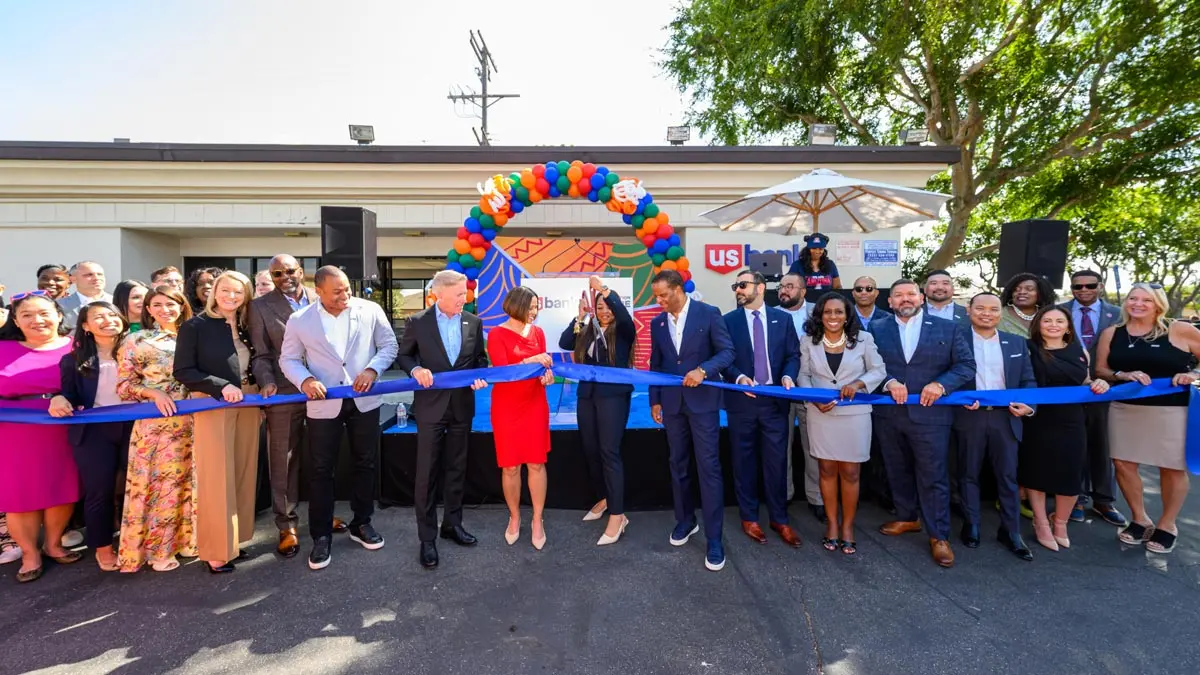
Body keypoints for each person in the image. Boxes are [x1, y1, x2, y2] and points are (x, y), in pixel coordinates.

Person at [280, 266, 398, 571]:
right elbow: (288, 359)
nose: (345, 295)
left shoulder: (369, 309)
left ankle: (362, 523)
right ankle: (321, 537)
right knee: (321, 470)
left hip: (364, 402)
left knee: (366, 463)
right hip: (323, 406)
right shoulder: (299, 319)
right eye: (337, 291)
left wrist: (372, 369)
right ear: (318, 291)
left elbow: (389, 345)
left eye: (347, 288)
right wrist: (304, 380)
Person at [871, 279, 975, 568]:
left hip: (932, 417)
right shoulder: (876, 329)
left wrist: (941, 385)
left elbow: (966, 366)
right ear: (889, 302)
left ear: (921, 298)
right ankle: (907, 517)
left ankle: (939, 535)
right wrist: (889, 382)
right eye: (898, 295)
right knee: (896, 470)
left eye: (910, 294)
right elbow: (866, 366)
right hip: (889, 416)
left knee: (933, 477)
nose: (905, 299)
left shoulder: (949, 328)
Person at [249, 254, 342, 559]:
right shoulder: (260, 307)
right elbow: (261, 355)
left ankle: (322, 514)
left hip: (326, 391)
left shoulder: (324, 297)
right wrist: (265, 382)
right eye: (277, 274)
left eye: (290, 271)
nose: (284, 277)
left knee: (321, 458)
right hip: (285, 393)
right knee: (284, 461)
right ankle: (286, 525)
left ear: (301, 272)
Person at [1097, 283, 1200, 554]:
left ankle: (1168, 524)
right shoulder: (1113, 332)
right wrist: (1122, 375)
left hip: (1172, 410)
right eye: (1133, 298)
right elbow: (1101, 369)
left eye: (1146, 300)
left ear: (1158, 304)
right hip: (1124, 408)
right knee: (1123, 464)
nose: (1138, 304)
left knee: (1171, 467)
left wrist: (1193, 375)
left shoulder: (1180, 329)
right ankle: (1140, 518)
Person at [396, 269, 488, 569]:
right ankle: (427, 538)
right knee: (426, 473)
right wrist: (415, 370)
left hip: (462, 406)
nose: (466, 298)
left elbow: (480, 360)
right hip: (430, 409)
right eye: (460, 294)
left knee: (457, 468)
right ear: (440, 294)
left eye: (466, 293)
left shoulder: (473, 321)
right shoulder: (417, 322)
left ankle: (452, 524)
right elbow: (405, 356)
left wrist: (478, 377)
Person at [174, 270, 260, 575]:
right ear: (214, 291)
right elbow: (183, 370)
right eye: (226, 290)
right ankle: (215, 551)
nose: (231, 297)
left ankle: (235, 540)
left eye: (239, 292)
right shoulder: (195, 326)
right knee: (217, 477)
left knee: (243, 470)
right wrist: (220, 385)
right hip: (213, 402)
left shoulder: (247, 325)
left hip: (250, 400)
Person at [648, 270, 735, 571]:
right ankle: (686, 521)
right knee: (678, 465)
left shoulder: (708, 313)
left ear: (678, 290)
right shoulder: (657, 323)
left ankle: (714, 539)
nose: (658, 301)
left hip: (703, 405)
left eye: (663, 295)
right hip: (672, 405)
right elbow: (655, 364)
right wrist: (655, 399)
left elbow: (727, 352)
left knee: (708, 468)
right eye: (656, 296)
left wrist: (703, 371)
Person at [0, 291, 81, 583]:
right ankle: (29, 554)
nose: (37, 320)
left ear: (59, 315)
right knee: (20, 494)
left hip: (64, 427)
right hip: (13, 432)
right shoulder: (2, 348)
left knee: (61, 486)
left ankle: (54, 544)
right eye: (27, 315)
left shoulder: (77, 347)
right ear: (16, 321)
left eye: (44, 313)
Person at [115, 286, 197, 573]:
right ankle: (158, 550)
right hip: (156, 427)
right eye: (157, 304)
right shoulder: (136, 340)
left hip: (195, 423)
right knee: (161, 486)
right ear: (147, 309)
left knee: (191, 483)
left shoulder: (194, 336)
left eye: (171, 303)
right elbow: (124, 386)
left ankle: (189, 542)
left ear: (182, 305)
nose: (165, 309)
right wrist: (152, 393)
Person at [48, 302, 133, 571]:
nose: (108, 320)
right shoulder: (72, 360)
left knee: (139, 489)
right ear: (85, 326)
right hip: (94, 432)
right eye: (98, 317)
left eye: (112, 315)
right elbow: (68, 394)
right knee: (100, 491)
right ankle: (103, 548)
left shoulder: (138, 351)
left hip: (136, 427)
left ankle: (141, 544)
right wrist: (58, 398)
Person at [798, 293, 886, 555]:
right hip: (821, 413)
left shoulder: (864, 340)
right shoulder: (808, 341)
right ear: (820, 315)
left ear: (847, 315)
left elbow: (878, 370)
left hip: (855, 414)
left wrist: (858, 384)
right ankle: (832, 525)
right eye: (827, 312)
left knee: (851, 473)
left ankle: (848, 526)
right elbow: (803, 374)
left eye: (838, 312)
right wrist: (812, 398)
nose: (833, 317)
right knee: (825, 470)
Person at [721, 270, 802, 547]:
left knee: (776, 463)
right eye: (736, 286)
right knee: (743, 463)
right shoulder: (728, 321)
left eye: (743, 285)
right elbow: (723, 358)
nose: (738, 291)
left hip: (774, 403)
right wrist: (738, 377)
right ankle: (749, 517)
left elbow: (793, 355)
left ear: (761, 287)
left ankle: (780, 518)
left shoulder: (784, 319)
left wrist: (789, 376)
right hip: (741, 402)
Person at [954, 293, 1036, 561]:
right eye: (980, 308)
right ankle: (972, 524)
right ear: (969, 310)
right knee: (968, 473)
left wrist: (1028, 405)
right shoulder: (956, 341)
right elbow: (945, 376)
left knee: (1008, 477)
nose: (986, 313)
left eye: (993, 309)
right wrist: (960, 397)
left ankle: (1011, 531)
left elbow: (1028, 381)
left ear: (1001, 313)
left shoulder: (1017, 343)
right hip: (969, 417)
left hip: (1006, 418)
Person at [1021, 307, 1110, 552]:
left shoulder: (1080, 351)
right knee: (1036, 472)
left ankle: (1060, 523)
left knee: (1070, 473)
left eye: (1059, 321)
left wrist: (1099, 382)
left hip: (1072, 419)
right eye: (1047, 320)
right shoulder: (1027, 349)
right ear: (1038, 325)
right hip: (1036, 418)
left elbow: (1085, 382)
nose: (1053, 325)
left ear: (1068, 326)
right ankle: (1040, 521)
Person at [558, 275, 636, 545]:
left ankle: (618, 514)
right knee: (591, 450)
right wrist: (579, 317)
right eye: (599, 306)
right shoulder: (588, 328)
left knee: (609, 452)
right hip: (586, 396)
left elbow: (623, 315)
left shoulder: (625, 329)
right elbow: (565, 342)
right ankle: (604, 498)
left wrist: (603, 288)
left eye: (608, 306)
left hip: (613, 396)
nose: (604, 311)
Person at [488, 286, 555, 550]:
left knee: (537, 463)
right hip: (507, 406)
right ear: (516, 306)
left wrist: (545, 376)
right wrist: (532, 359)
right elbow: (504, 371)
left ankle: (538, 519)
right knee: (511, 466)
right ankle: (514, 517)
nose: (534, 312)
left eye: (537, 307)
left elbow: (542, 368)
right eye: (531, 307)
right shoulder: (496, 334)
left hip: (535, 403)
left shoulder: (538, 333)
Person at [1057, 269, 1126, 526]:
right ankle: (1075, 498)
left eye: (1089, 285)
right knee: (1072, 446)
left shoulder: (1118, 314)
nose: (1083, 290)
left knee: (1102, 445)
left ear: (1100, 285)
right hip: (1068, 388)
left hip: (1104, 388)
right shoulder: (1059, 311)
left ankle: (1104, 500)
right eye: (1077, 287)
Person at [775, 271, 822, 521]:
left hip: (812, 389)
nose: (784, 290)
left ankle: (817, 498)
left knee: (813, 446)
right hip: (780, 390)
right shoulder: (770, 314)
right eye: (781, 286)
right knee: (780, 446)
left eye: (790, 286)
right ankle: (783, 495)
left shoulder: (821, 312)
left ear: (803, 291)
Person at [998, 272, 1057, 337]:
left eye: (1029, 289)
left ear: (1040, 293)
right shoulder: (998, 314)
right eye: (1016, 289)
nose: (1022, 292)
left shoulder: (1047, 315)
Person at [59, 261, 111, 330]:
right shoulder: (60, 306)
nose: (96, 278)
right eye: (89, 275)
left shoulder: (118, 302)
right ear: (73, 279)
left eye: (100, 274)